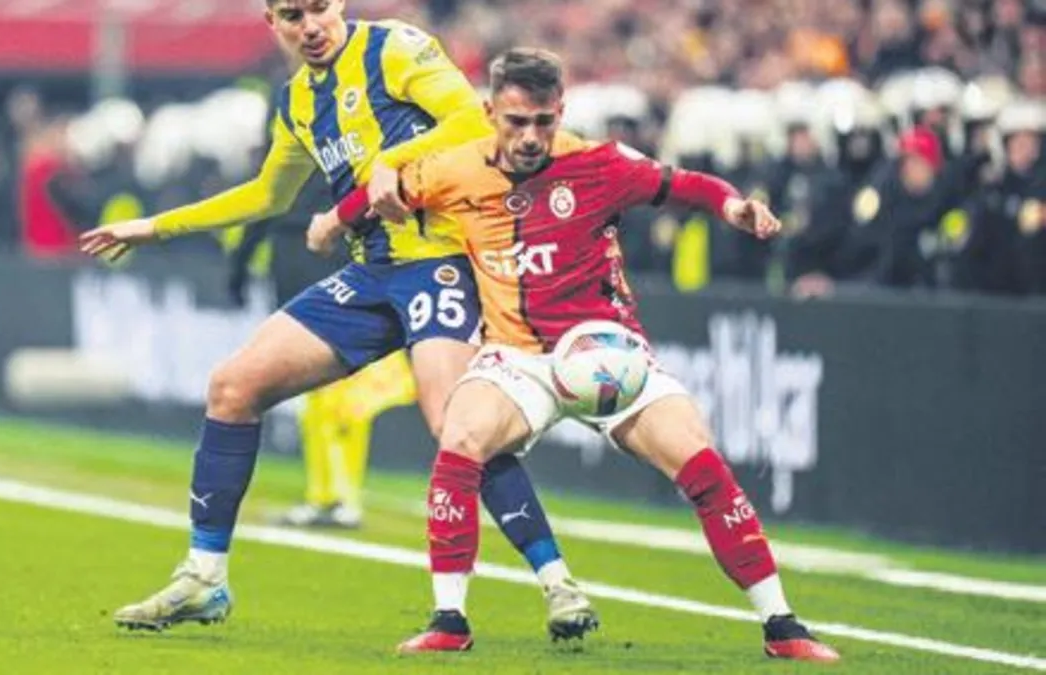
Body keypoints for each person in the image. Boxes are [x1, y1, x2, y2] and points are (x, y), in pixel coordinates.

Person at [77, 0, 595, 639]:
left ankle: (559, 584)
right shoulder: (298, 99)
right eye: (292, 15)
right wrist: (156, 227)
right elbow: (269, 195)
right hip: (372, 272)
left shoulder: (394, 48)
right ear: (272, 23)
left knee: (456, 424)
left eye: (319, 7)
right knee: (232, 387)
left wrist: (386, 165)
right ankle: (204, 577)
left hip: (443, 262)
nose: (311, 26)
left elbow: (469, 122)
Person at [311, 47, 840, 662]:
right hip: (517, 359)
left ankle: (782, 625)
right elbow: (386, 189)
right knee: (460, 436)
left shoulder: (599, 163)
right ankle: (449, 619)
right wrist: (332, 220)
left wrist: (733, 206)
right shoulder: (454, 168)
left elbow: (684, 185)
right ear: (489, 112)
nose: (530, 137)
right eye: (516, 122)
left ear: (560, 113)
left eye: (543, 122)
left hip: (607, 354)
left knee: (700, 460)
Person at [275, 351, 417, 528]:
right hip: (330, 350)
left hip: (352, 354)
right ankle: (320, 499)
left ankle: (344, 501)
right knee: (317, 416)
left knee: (344, 418)